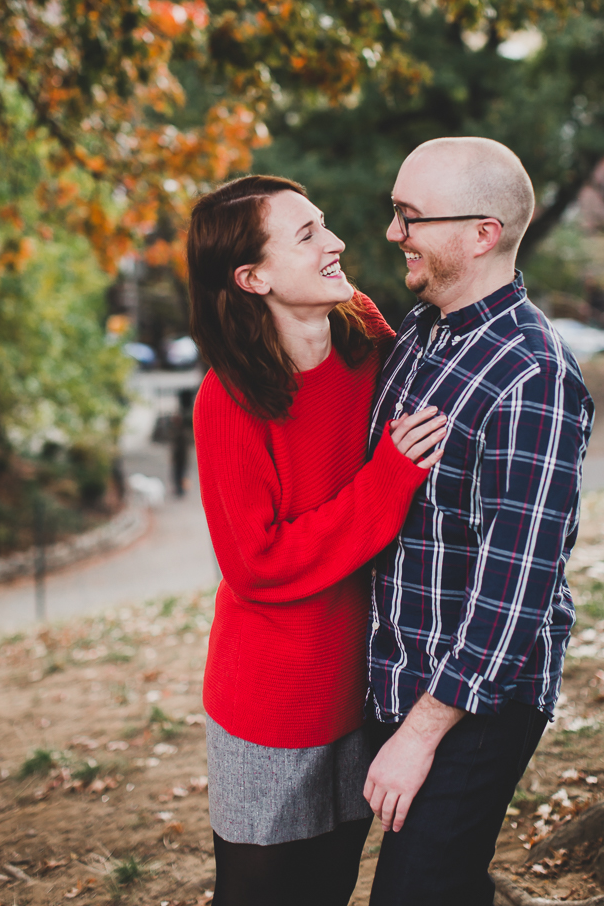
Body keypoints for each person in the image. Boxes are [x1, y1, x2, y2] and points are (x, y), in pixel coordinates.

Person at [186, 174, 447, 906]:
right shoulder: (229, 400)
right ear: (253, 277)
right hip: (272, 706)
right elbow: (257, 565)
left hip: (367, 688)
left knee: (329, 891)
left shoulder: (364, 332)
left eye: (324, 224)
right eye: (307, 236)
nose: (336, 243)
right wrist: (387, 479)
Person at [362, 137, 595, 906]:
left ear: (481, 234)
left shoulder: (533, 376)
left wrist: (420, 735)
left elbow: (515, 590)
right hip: (392, 674)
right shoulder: (419, 334)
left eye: (410, 216)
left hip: (474, 699)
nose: (393, 233)